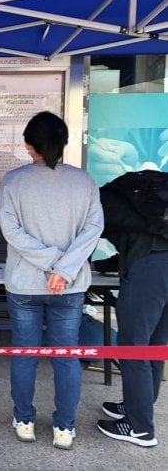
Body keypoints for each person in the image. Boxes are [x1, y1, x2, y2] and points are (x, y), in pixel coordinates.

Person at [0, 111, 104, 450]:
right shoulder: (84, 181)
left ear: (28, 144)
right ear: (65, 142)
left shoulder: (13, 181)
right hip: (69, 286)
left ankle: (25, 420)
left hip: (24, 284)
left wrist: (51, 264)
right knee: (66, 355)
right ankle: (64, 428)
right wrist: (63, 269)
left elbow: (11, 232)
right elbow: (93, 229)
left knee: (25, 353)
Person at [94, 171, 168, 447]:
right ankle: (140, 406)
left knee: (132, 346)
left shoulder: (102, 203)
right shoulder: (147, 209)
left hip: (149, 270)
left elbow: (90, 238)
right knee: (154, 345)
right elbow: (134, 246)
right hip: (160, 265)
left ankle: (139, 428)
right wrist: (101, 266)